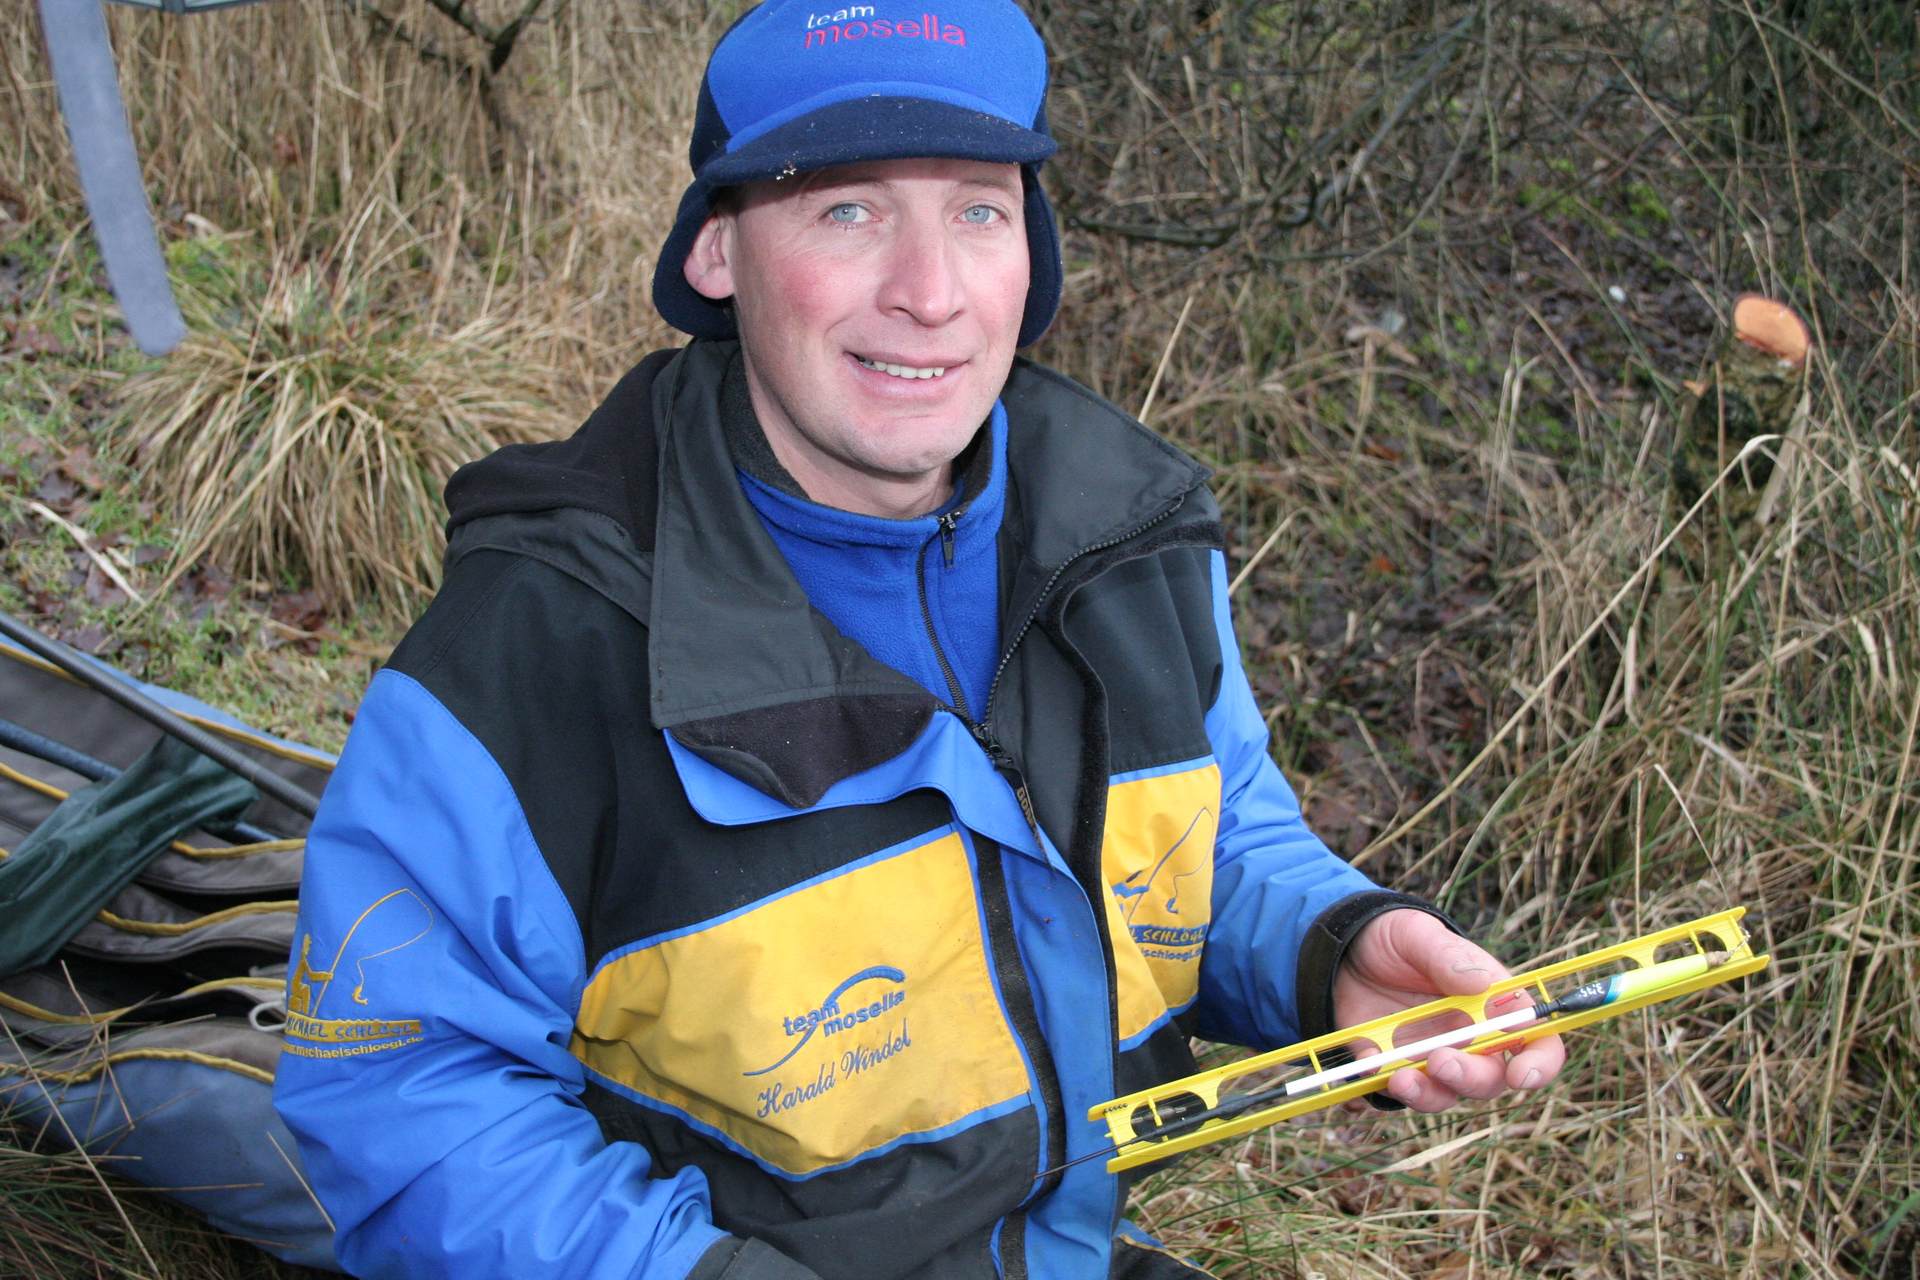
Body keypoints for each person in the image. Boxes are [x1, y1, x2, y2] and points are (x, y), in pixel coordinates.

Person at [272, 3, 1564, 1276]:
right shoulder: (539, 636)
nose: (931, 292)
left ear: (1033, 254)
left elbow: (1209, 841)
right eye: (847, 209)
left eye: (977, 210)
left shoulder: (1130, 541)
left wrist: (1328, 951)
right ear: (717, 252)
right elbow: (405, 1094)